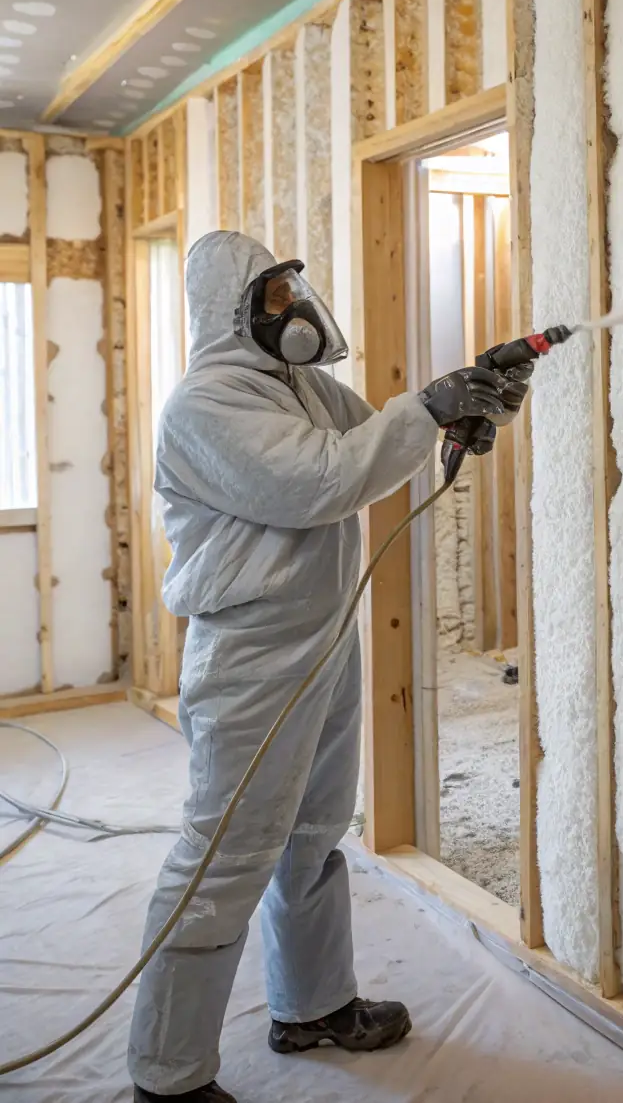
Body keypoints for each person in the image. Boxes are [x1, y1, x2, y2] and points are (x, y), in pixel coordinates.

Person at [128, 231, 528, 1102]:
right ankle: (166, 1075)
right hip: (250, 654)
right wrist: (428, 408)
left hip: (321, 637)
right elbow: (324, 479)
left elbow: (378, 430)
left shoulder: (300, 385)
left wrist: (465, 402)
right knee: (223, 854)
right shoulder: (204, 407)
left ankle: (311, 1005)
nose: (291, 310)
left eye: (288, 291)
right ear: (227, 312)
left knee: (312, 835)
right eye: (270, 298)